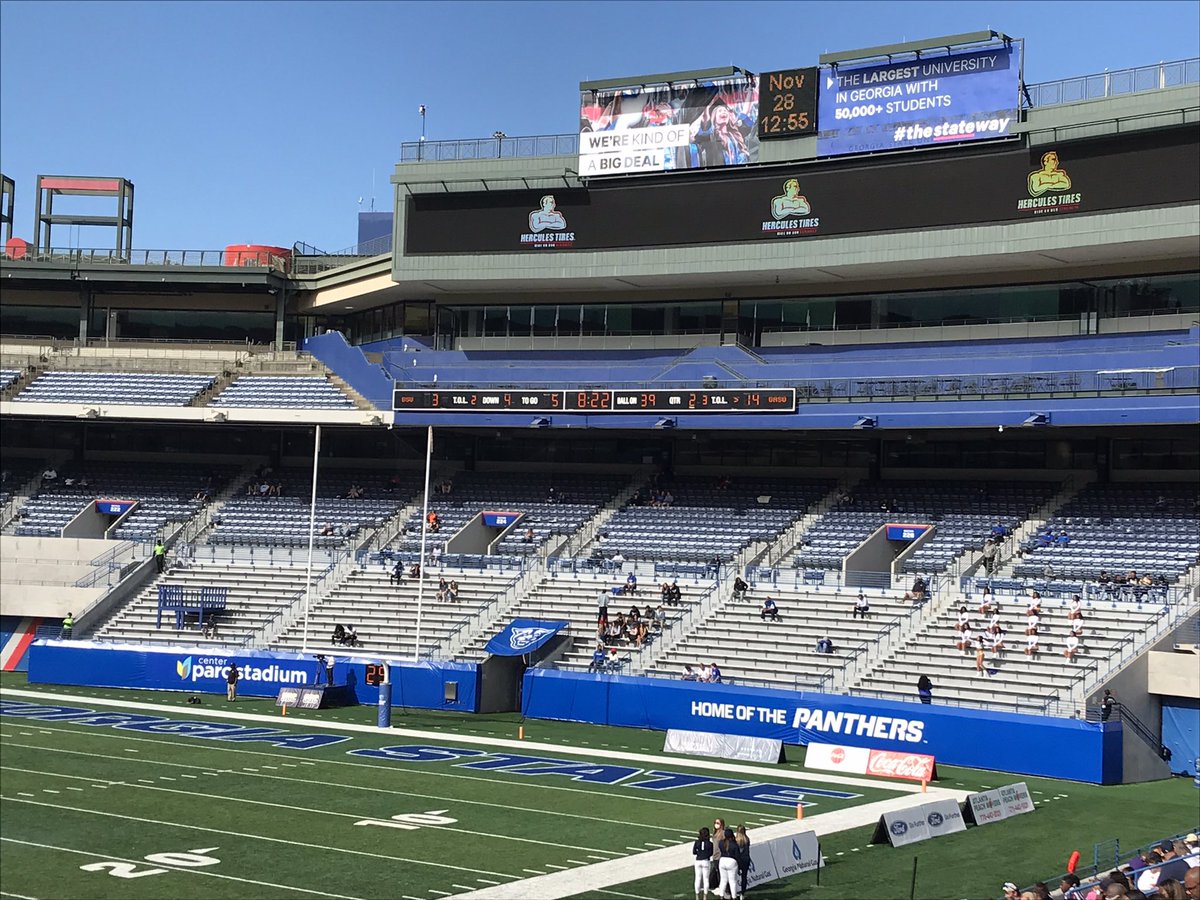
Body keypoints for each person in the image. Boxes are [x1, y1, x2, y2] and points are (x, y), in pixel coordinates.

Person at [715, 826, 741, 899]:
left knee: (723, 880)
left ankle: (721, 896)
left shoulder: (721, 843)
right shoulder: (734, 845)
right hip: (731, 861)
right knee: (732, 881)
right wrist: (739, 866)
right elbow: (737, 856)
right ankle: (734, 897)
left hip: (722, 860)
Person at [693, 826, 714, 900]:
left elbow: (694, 852)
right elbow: (711, 853)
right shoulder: (710, 844)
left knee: (698, 878)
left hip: (698, 861)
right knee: (706, 879)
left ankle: (697, 896)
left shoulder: (696, 842)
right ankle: (705, 896)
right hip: (706, 861)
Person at [734, 825, 751, 896]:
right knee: (744, 876)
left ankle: (733, 892)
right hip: (746, 859)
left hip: (738, 860)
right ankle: (743, 893)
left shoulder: (736, 840)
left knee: (733, 877)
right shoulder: (747, 839)